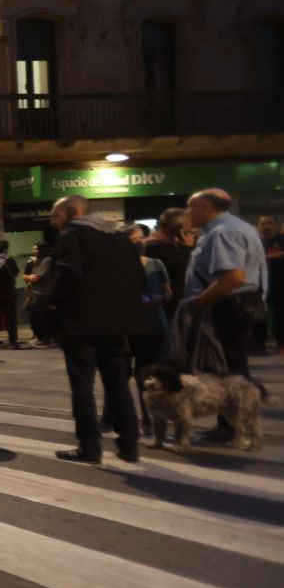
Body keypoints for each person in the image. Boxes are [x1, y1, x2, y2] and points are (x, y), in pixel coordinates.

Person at [45, 196, 142, 463]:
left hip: (81, 326)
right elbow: (138, 278)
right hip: (116, 325)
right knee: (118, 385)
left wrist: (51, 301)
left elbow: (69, 274)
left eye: (56, 215)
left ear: (72, 212)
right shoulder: (122, 239)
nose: (53, 222)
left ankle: (90, 446)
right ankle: (129, 444)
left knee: (83, 387)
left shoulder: (72, 236)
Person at [178, 188, 268, 444]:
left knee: (227, 369)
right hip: (239, 305)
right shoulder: (236, 226)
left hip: (226, 307)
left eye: (190, 207)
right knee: (231, 367)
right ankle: (232, 424)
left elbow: (233, 277)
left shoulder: (221, 232)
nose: (187, 213)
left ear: (206, 206)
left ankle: (232, 427)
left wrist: (196, 303)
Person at [126, 223, 174, 428]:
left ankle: (161, 412)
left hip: (156, 323)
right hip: (133, 326)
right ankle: (147, 414)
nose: (138, 242)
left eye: (140, 238)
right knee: (140, 373)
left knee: (158, 370)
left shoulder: (156, 264)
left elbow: (168, 292)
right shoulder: (121, 266)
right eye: (133, 239)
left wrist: (158, 299)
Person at [144, 207, 192, 306]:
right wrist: (187, 248)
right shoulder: (155, 246)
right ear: (179, 228)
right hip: (166, 302)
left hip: (173, 300)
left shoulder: (171, 243)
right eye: (188, 226)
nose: (190, 230)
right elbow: (178, 269)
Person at [256, 215, 282, 354]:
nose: (266, 226)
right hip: (259, 283)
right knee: (259, 315)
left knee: (281, 314)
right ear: (258, 226)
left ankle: (281, 344)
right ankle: (259, 344)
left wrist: (266, 257)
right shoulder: (255, 241)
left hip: (279, 283)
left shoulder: (281, 239)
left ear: (275, 225)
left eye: (269, 223)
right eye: (263, 223)